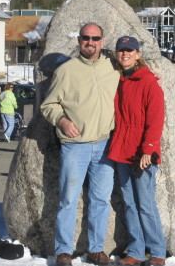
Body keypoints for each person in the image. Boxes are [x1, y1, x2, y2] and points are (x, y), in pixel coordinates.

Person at [40, 23, 120, 266]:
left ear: (102, 42)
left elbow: (136, 70)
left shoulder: (113, 67)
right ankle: (64, 250)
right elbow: (48, 105)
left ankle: (96, 249)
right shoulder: (66, 71)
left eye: (95, 38)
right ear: (79, 40)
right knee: (68, 199)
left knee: (100, 200)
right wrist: (62, 121)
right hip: (75, 145)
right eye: (86, 38)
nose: (90, 42)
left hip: (105, 144)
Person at [108, 36, 166, 266]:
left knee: (145, 204)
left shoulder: (148, 81)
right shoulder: (118, 79)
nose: (125, 54)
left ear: (137, 54)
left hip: (142, 154)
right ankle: (136, 251)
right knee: (129, 204)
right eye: (121, 50)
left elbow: (155, 119)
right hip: (122, 150)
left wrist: (148, 150)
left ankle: (158, 252)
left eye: (129, 50)